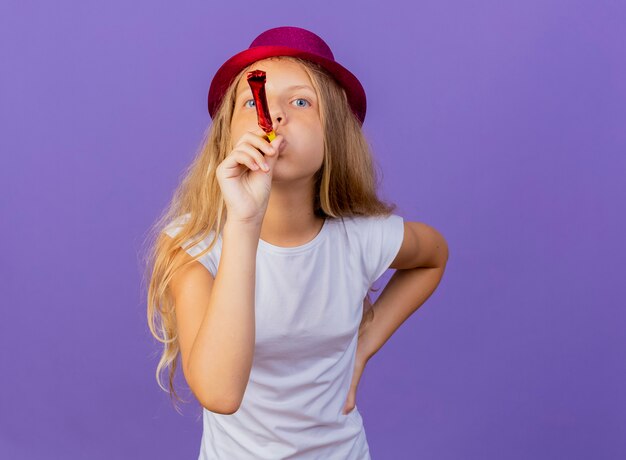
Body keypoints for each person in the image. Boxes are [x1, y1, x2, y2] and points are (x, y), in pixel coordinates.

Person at [143, 26, 449, 459]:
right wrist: (244, 222)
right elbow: (219, 393)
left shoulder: (361, 238)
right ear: (228, 135)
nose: (275, 114)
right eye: (253, 100)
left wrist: (362, 348)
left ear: (334, 137)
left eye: (301, 101)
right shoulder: (192, 245)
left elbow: (433, 257)